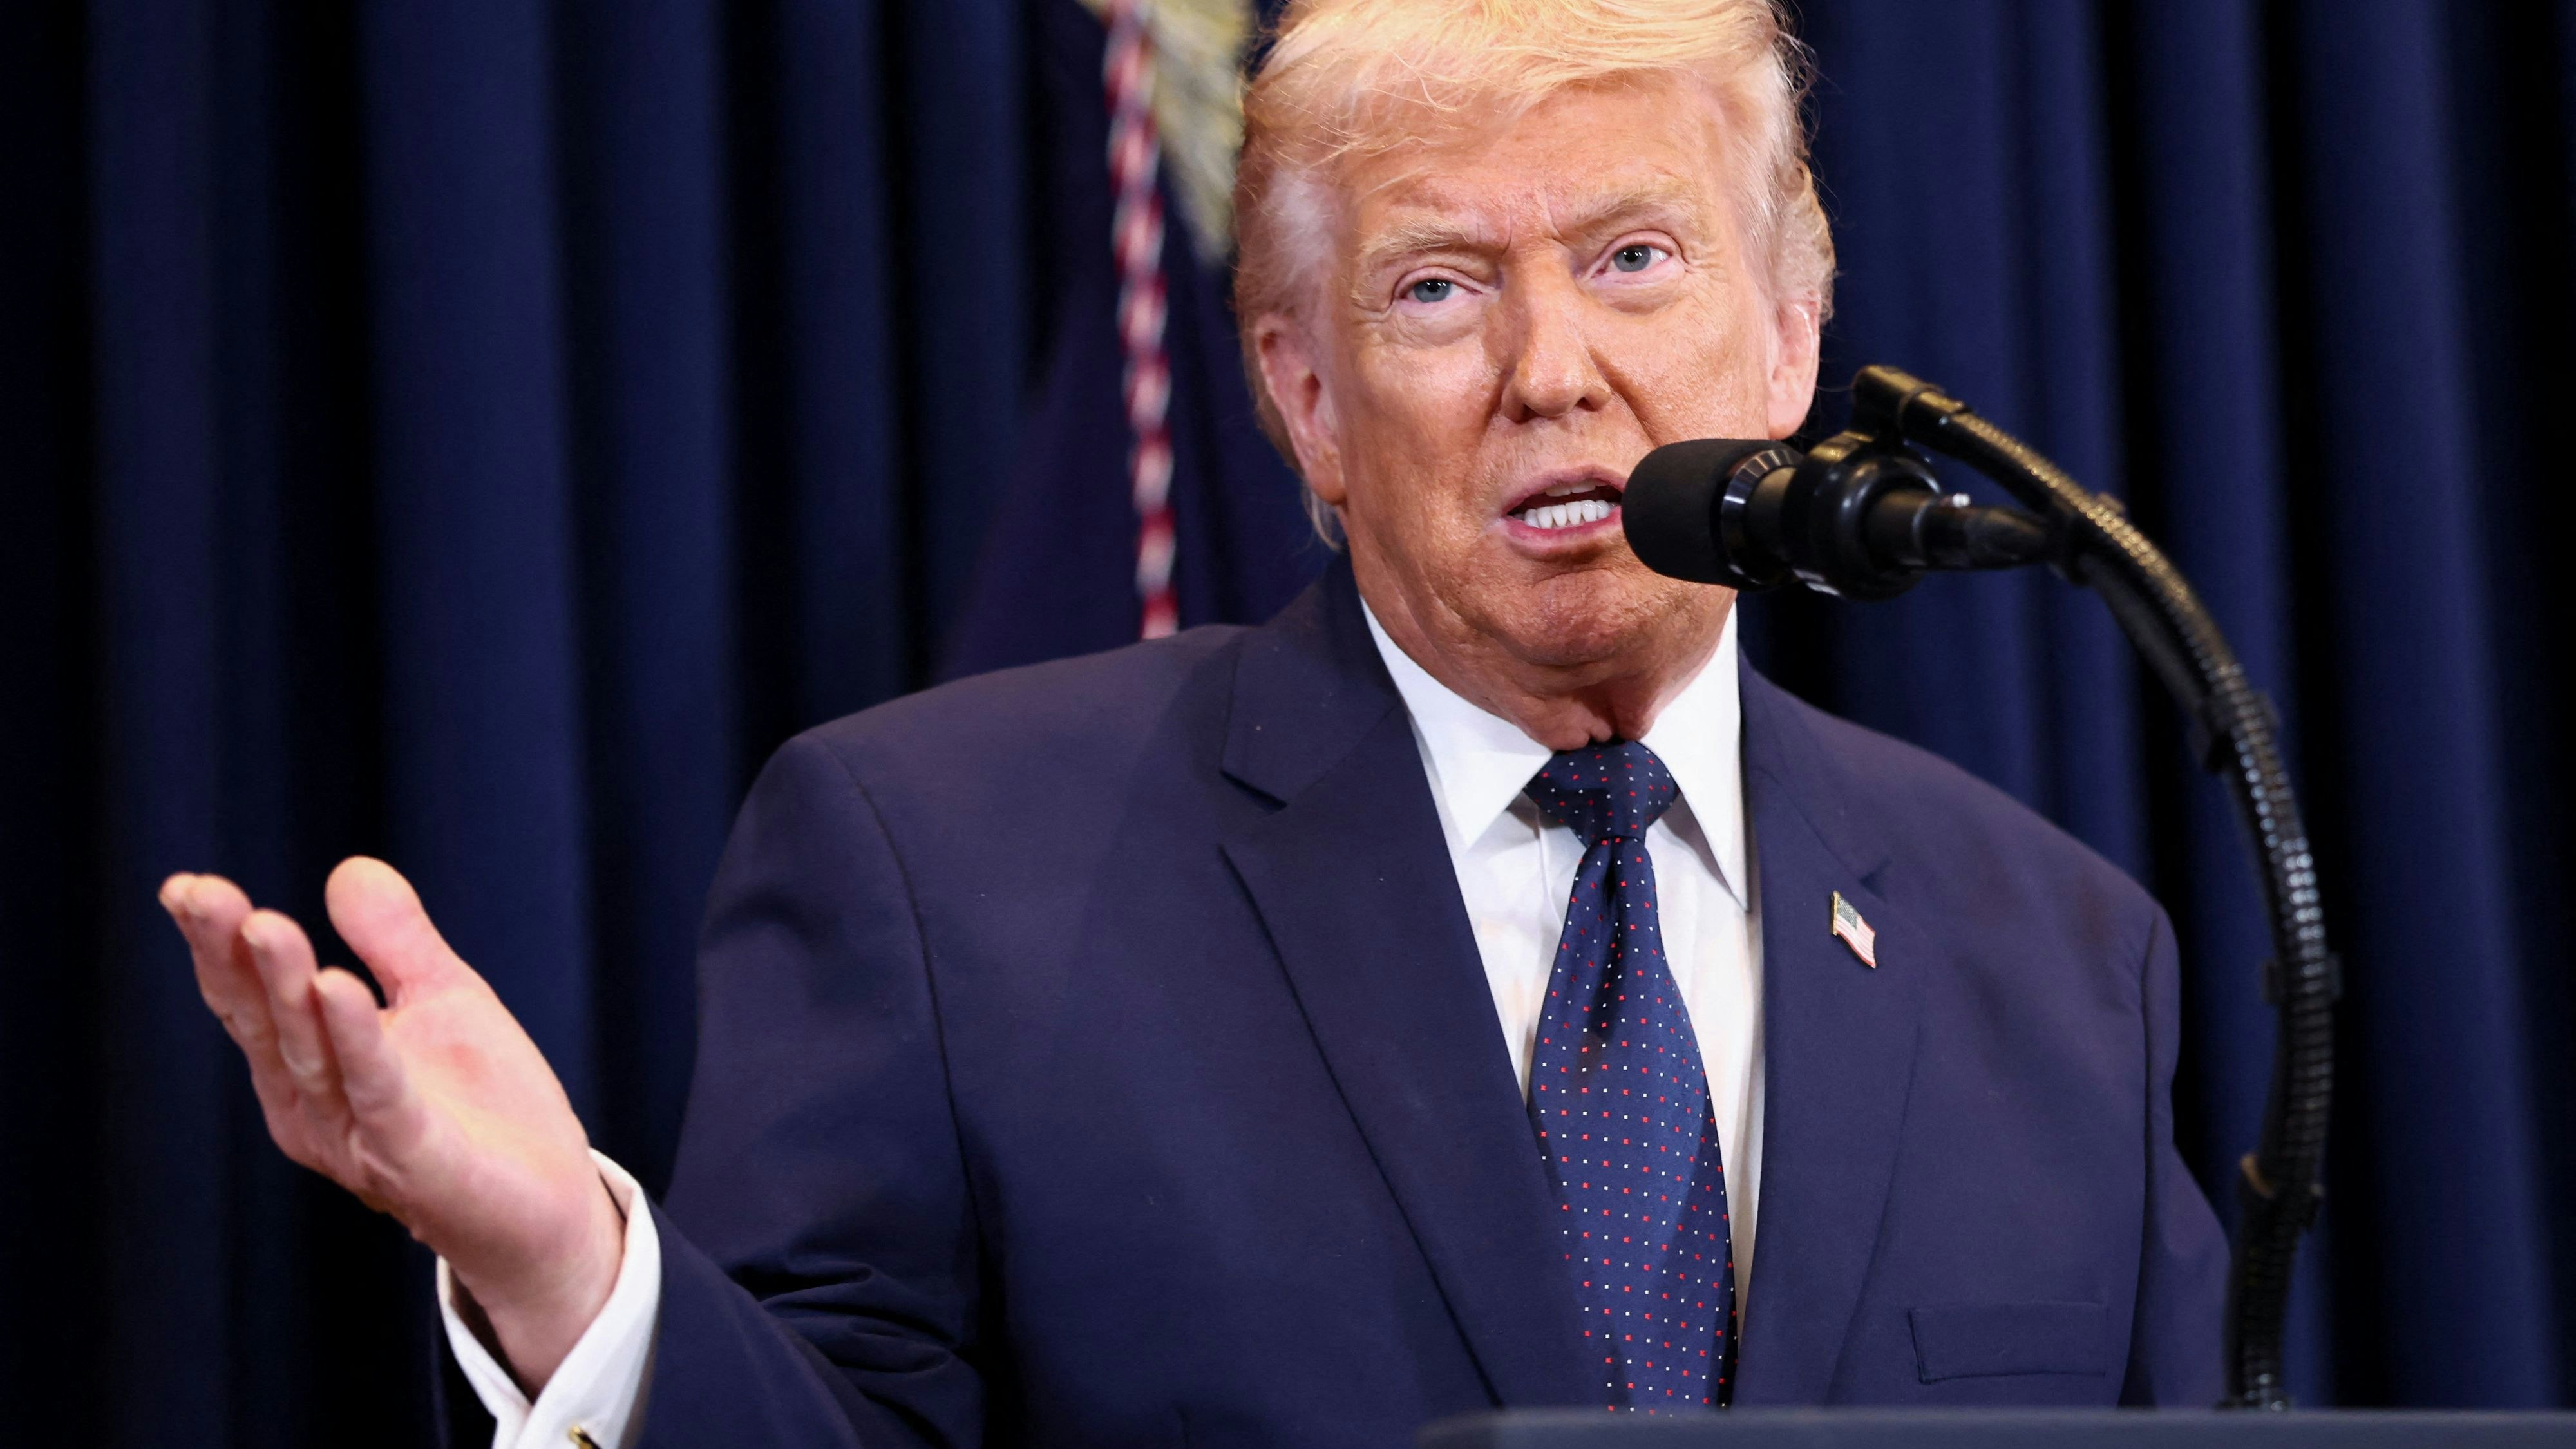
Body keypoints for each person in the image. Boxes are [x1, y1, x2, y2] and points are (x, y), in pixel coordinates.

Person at [158, 1, 2228, 1444]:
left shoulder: (2059, 958)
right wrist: (575, 1276)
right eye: (1436, 288)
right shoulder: (940, 868)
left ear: (1789, 339)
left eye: (1635, 257)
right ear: (1302, 402)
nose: (1552, 369)